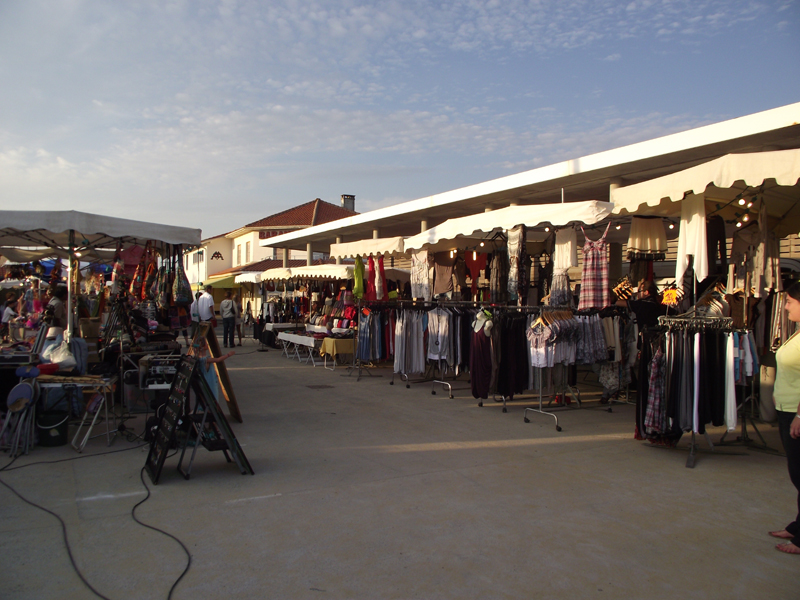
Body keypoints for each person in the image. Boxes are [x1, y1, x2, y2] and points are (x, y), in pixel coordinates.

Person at [771, 281, 800, 555]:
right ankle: (798, 526)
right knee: (797, 473)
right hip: (787, 409)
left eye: (790, 301)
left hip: (796, 413)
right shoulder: (798, 332)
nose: (786, 306)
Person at [188, 336, 234, 404]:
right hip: (209, 383)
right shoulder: (204, 360)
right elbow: (218, 360)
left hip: (203, 384)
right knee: (211, 399)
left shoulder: (197, 358)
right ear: (203, 347)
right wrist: (228, 355)